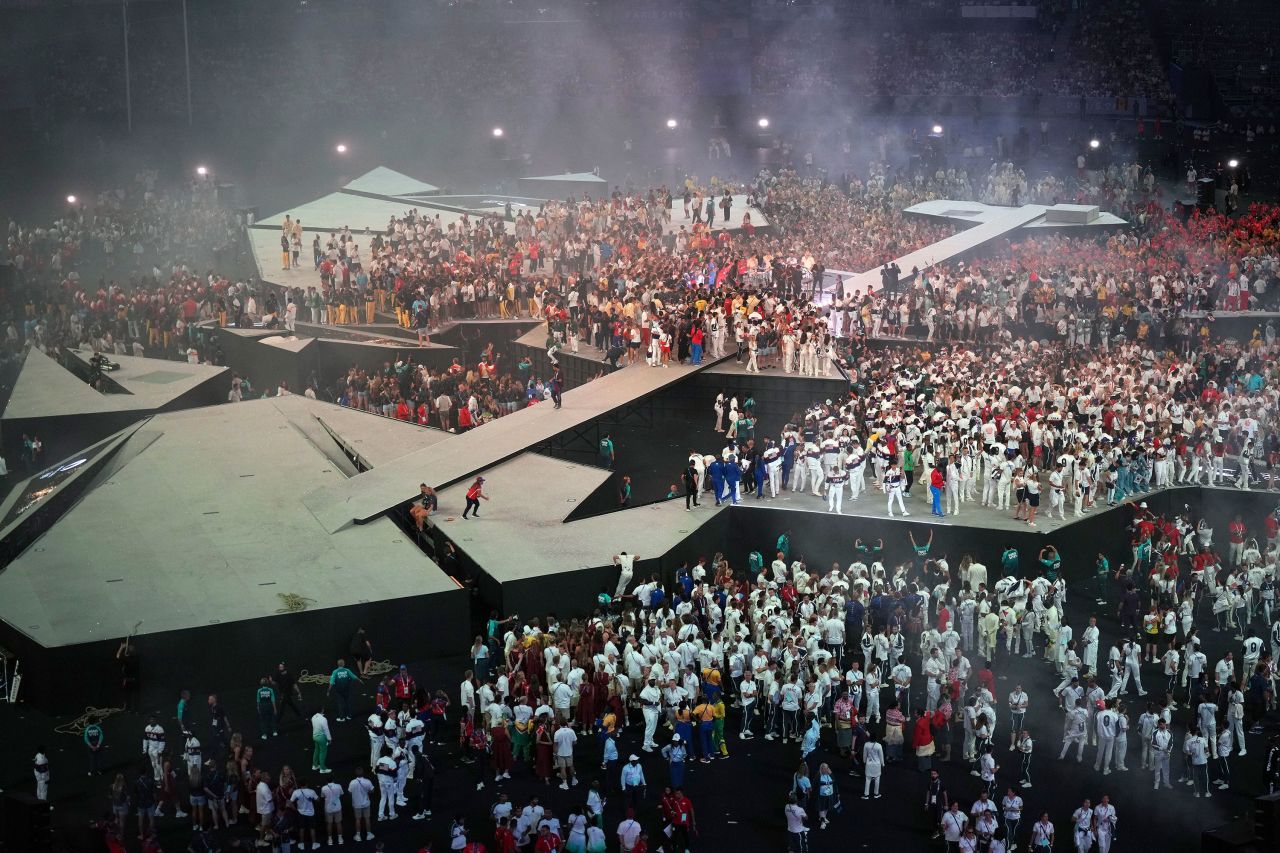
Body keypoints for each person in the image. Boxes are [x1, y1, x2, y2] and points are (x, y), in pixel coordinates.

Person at [311, 708, 333, 775]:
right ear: (322, 710)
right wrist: (329, 739)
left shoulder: (313, 717)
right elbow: (326, 730)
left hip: (314, 736)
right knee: (323, 752)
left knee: (316, 750)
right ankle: (323, 769)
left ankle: (315, 765)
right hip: (321, 738)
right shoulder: (323, 719)